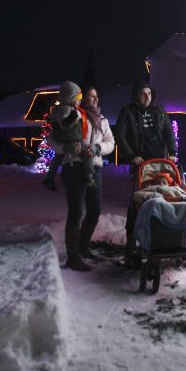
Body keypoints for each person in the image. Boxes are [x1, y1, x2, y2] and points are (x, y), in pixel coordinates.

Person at [47, 81, 115, 271]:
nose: (95, 99)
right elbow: (51, 139)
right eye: (91, 96)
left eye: (97, 97)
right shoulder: (71, 113)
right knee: (76, 212)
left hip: (95, 168)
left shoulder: (102, 120)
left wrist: (97, 148)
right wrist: (66, 147)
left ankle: (83, 247)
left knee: (94, 211)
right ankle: (73, 256)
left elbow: (111, 143)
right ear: (82, 98)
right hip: (74, 166)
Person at [114, 81, 177, 262]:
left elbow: (168, 132)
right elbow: (120, 135)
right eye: (143, 94)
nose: (147, 97)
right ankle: (131, 244)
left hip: (160, 164)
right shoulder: (127, 112)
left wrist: (172, 152)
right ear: (136, 95)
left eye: (149, 93)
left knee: (163, 197)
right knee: (138, 201)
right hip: (140, 163)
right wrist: (132, 155)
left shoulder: (159, 111)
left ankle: (161, 239)